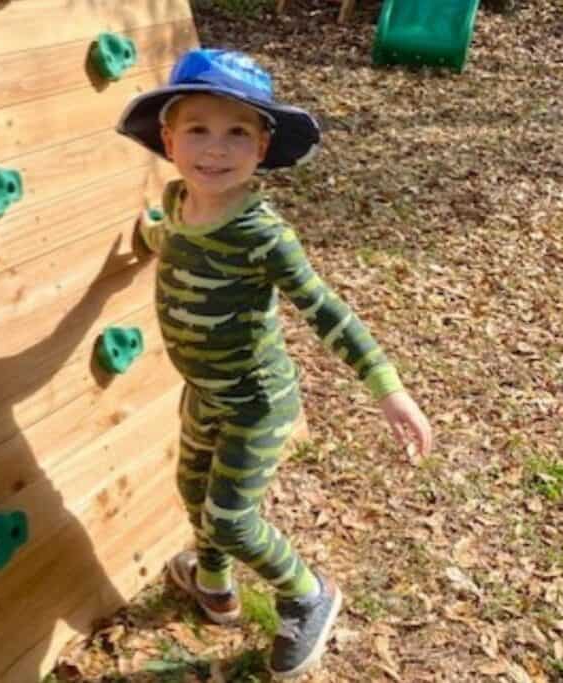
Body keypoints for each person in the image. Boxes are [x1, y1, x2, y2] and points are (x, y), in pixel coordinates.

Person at [116, 48, 433, 678]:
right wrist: (145, 238)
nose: (216, 148)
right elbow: (169, 236)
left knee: (231, 519)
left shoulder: (263, 235)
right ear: (169, 139)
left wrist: (388, 389)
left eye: (238, 132)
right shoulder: (177, 202)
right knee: (194, 492)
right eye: (198, 129)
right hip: (204, 395)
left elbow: (326, 310)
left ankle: (308, 594)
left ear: (261, 148)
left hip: (258, 402)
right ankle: (214, 587)